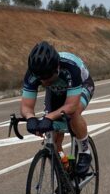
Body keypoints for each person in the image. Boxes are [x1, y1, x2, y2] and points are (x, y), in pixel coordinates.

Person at [20, 41, 95, 175]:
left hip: (82, 86)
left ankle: (85, 151)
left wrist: (48, 117)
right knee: (53, 138)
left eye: (48, 78)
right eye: (40, 79)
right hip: (55, 91)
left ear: (57, 68)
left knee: (73, 113)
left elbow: (71, 105)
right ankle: (65, 171)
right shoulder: (33, 73)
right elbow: (26, 106)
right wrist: (31, 118)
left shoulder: (70, 68)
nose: (44, 82)